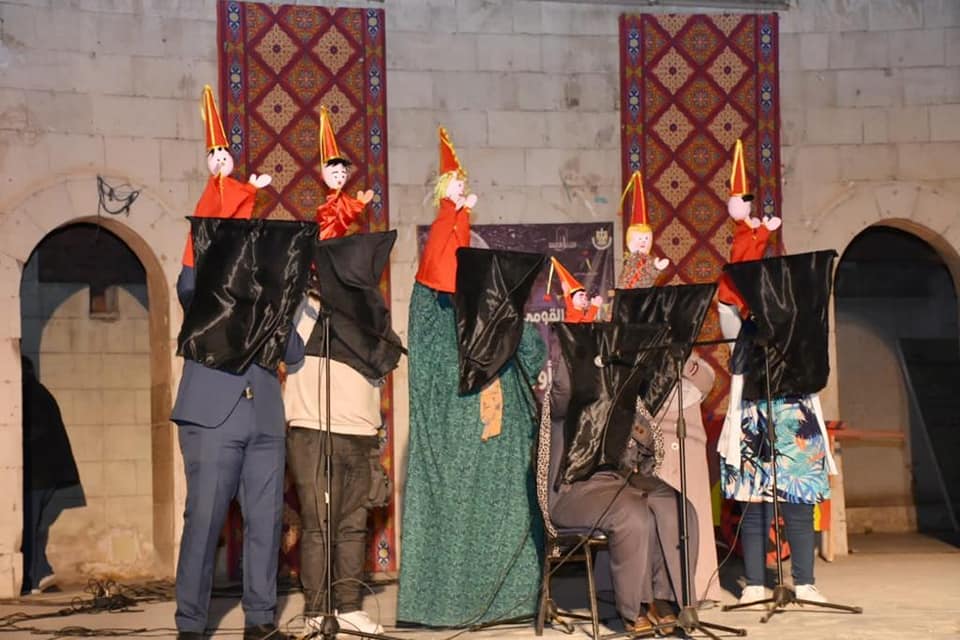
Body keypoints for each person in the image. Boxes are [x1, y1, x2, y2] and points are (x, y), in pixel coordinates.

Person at [398, 127, 546, 626]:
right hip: (470, 431)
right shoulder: (439, 308)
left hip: (489, 434)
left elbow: (527, 350)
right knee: (476, 513)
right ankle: (475, 604)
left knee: (489, 511)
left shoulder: (458, 305)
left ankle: (483, 603)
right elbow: (524, 354)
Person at [171, 85, 300, 640]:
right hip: (211, 413)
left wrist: (285, 302)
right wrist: (217, 233)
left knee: (266, 520)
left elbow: (293, 353)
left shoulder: (267, 292)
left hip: (264, 412)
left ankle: (260, 619)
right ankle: (190, 624)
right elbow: (189, 287)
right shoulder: (201, 286)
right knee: (204, 521)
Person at [281, 113, 384, 636]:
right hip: (311, 426)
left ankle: (348, 605)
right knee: (319, 525)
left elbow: (381, 362)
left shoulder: (368, 308)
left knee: (352, 525)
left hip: (359, 428)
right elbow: (288, 351)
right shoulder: (301, 305)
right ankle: (315, 609)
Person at [20, 355, 85, 595]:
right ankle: (40, 572)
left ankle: (33, 576)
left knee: (30, 526)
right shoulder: (41, 393)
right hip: (49, 475)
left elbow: (32, 433)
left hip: (37, 474)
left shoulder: (26, 395)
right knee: (36, 527)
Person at [716, 139, 780, 342]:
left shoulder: (749, 228)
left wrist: (762, 230)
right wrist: (764, 231)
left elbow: (753, 256)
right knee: (737, 345)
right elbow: (744, 258)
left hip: (744, 296)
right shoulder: (744, 234)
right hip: (732, 296)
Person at [315, 105, 374, 240]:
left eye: (343, 174)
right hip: (326, 241)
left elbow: (346, 216)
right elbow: (326, 218)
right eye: (335, 174)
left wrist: (359, 203)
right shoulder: (331, 200)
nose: (340, 178)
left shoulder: (341, 198)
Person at [617, 171, 669, 290]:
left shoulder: (648, 260)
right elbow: (628, 282)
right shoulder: (631, 260)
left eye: (646, 238)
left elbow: (646, 281)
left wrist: (656, 268)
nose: (643, 241)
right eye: (640, 238)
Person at [546, 256, 603, 323]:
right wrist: (594, 307)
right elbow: (584, 322)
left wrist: (594, 307)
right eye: (581, 295)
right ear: (571, 299)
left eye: (585, 296)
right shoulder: (572, 311)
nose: (584, 298)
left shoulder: (582, 313)